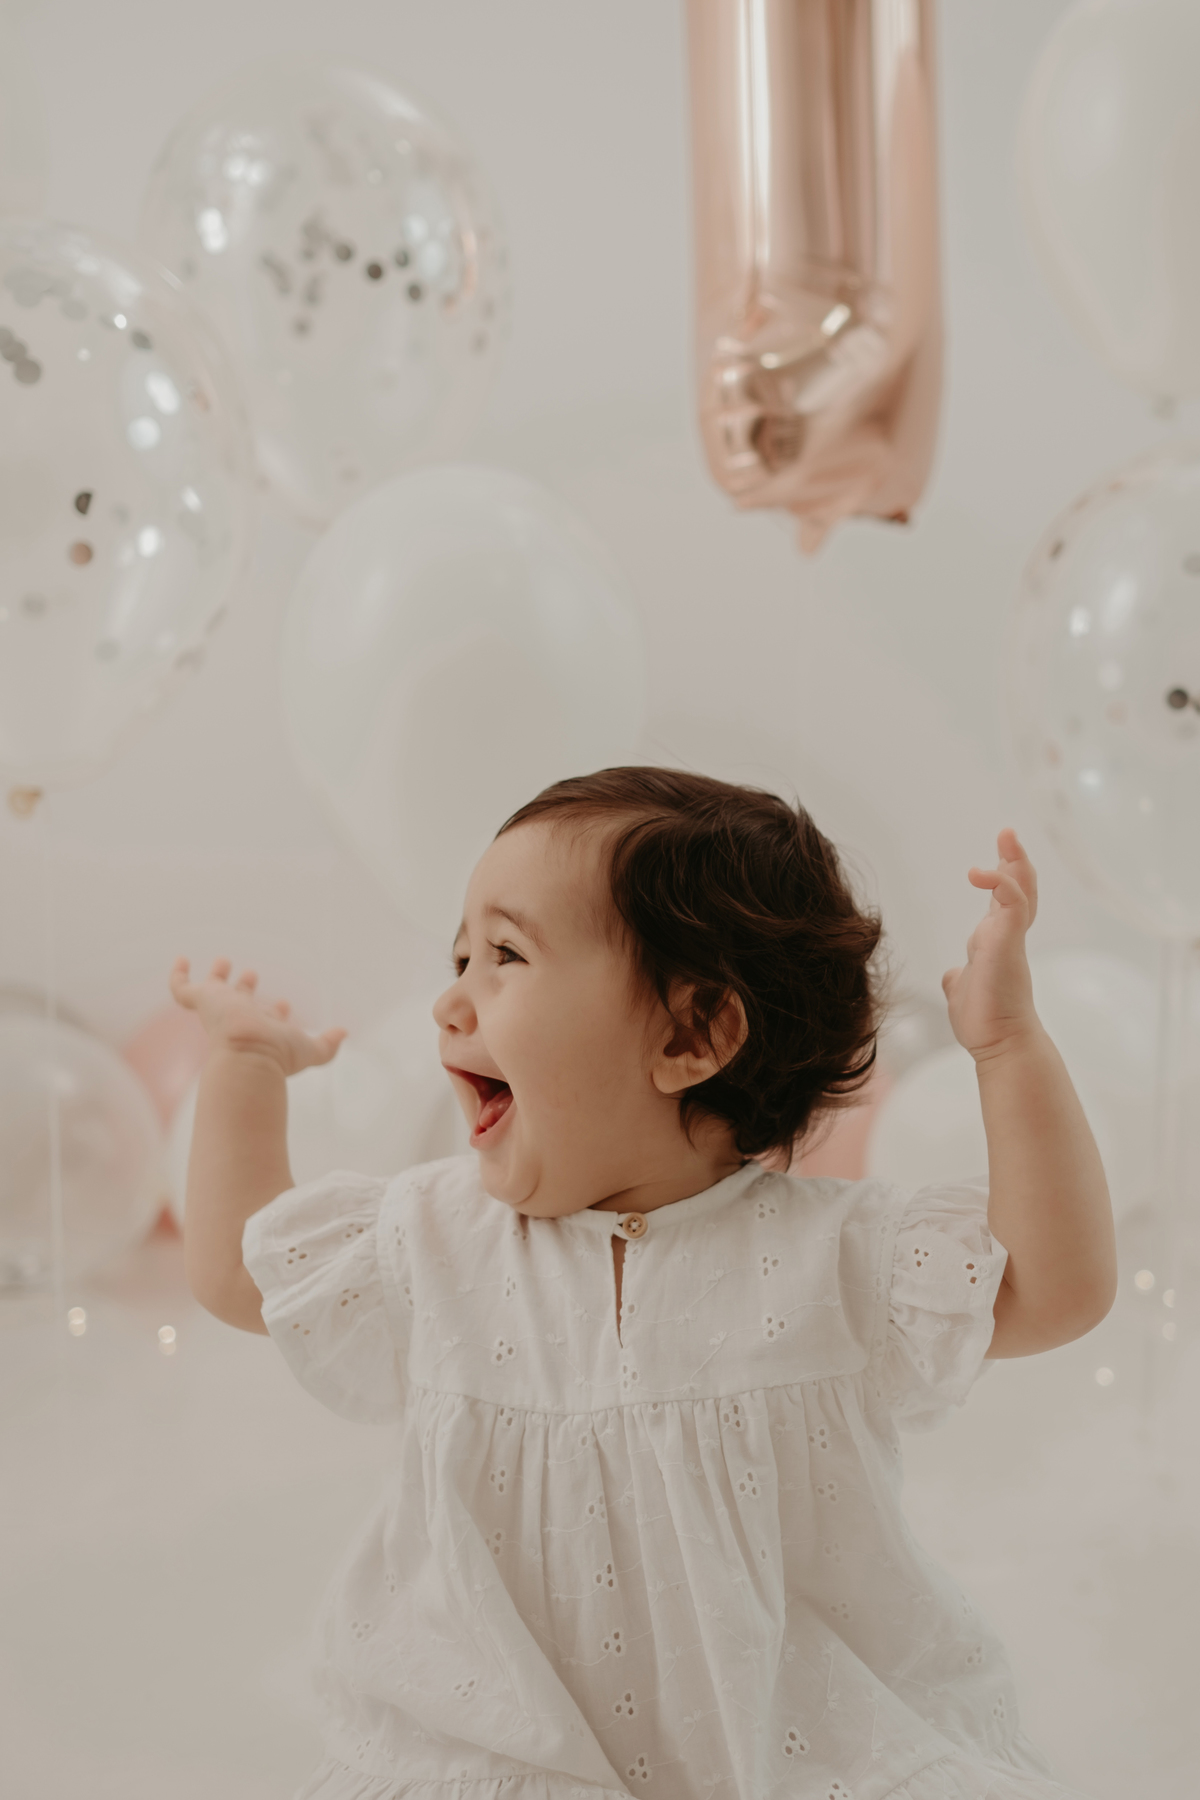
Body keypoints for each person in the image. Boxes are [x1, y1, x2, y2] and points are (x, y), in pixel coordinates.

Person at [171, 767, 1114, 1800]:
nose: (449, 1000)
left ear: (689, 1036)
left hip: (807, 1749)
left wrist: (1008, 1048)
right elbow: (237, 1271)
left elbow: (1055, 1290)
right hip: (492, 1755)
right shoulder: (431, 1240)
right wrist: (246, 1066)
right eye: (460, 956)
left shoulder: (835, 1254)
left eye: (505, 956)